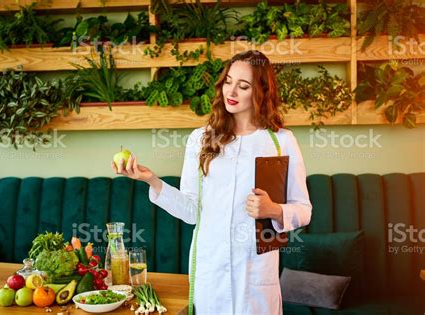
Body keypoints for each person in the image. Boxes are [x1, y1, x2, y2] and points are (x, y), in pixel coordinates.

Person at [111, 50, 312, 315]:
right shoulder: (201, 139)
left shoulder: (281, 142)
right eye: (228, 81)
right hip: (211, 272)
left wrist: (273, 210)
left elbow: (304, 209)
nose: (232, 91)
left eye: (243, 86)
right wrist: (152, 180)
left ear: (261, 91)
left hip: (254, 275)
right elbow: (191, 210)